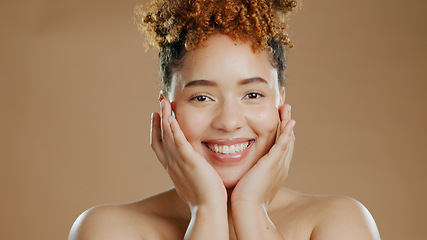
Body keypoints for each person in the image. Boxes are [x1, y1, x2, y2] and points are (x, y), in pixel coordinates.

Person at [69, 0, 381, 239]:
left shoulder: (338, 222)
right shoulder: (109, 229)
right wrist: (206, 210)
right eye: (202, 97)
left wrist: (252, 210)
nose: (229, 122)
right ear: (168, 109)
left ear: (280, 101)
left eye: (253, 95)